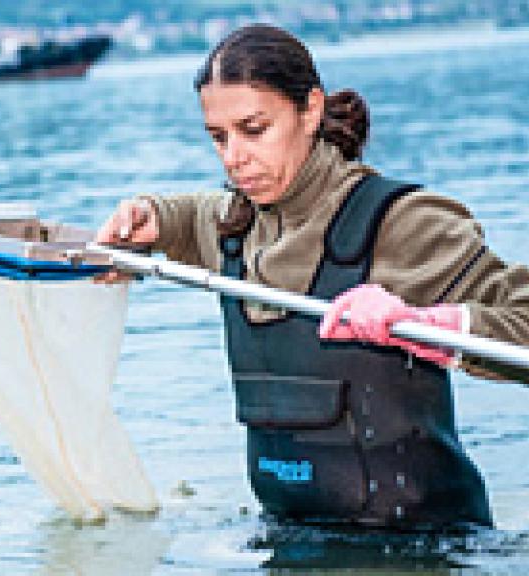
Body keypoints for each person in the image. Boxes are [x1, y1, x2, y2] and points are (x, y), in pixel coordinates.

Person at [96, 23, 529, 529]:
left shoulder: (400, 223)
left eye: (254, 130)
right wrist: (151, 216)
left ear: (311, 110)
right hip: (290, 543)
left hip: (425, 549)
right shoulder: (235, 229)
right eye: (218, 137)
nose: (234, 157)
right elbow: (191, 216)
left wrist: (426, 324)